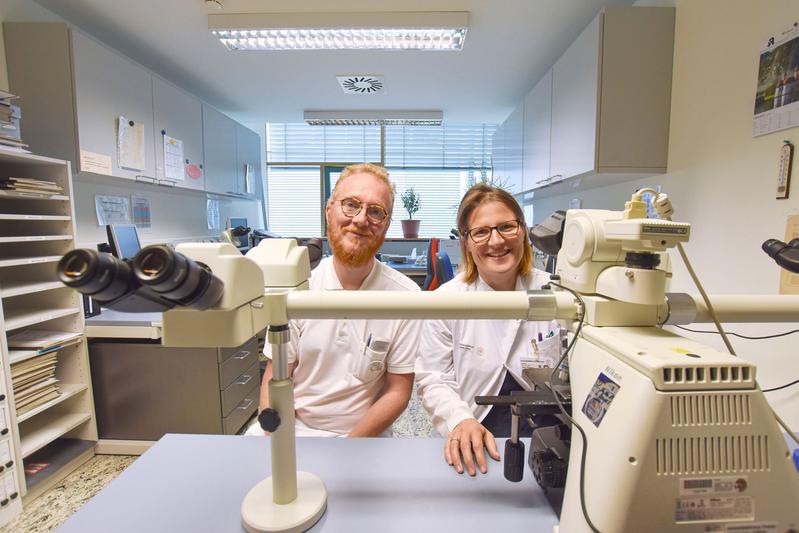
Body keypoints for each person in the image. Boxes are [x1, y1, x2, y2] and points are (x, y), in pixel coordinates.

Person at [246, 163, 420, 437]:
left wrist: (348, 447)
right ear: (329, 211)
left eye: (376, 212)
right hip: (295, 428)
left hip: (364, 435)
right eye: (351, 205)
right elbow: (277, 374)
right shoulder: (297, 288)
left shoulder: (405, 297)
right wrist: (280, 439)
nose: (362, 220)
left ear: (386, 224)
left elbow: (398, 390)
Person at [415, 183, 560, 475]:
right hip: (472, 430)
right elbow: (433, 378)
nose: (496, 241)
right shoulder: (447, 300)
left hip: (549, 436)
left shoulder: (558, 292)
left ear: (523, 230)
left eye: (507, 227)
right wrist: (459, 420)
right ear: (466, 242)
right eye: (481, 232)